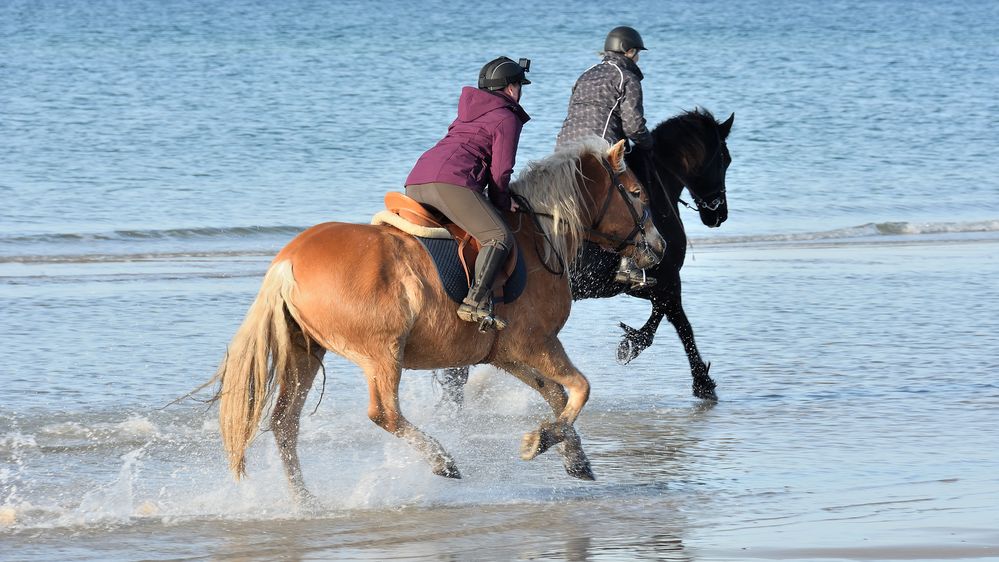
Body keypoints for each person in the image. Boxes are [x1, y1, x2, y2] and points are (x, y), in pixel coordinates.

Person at [405, 56, 531, 329]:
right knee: (497, 236)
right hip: (451, 184)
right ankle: (474, 302)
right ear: (511, 88)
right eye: (520, 86)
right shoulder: (507, 117)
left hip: (416, 181)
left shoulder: (467, 113)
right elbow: (500, 172)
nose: (520, 92)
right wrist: (502, 201)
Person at [556, 26, 656, 288]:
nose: (638, 59)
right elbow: (634, 127)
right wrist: (649, 144)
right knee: (635, 193)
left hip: (564, 151)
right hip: (600, 149)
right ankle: (629, 264)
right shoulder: (627, 78)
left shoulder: (587, 73)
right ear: (629, 51)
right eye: (637, 54)